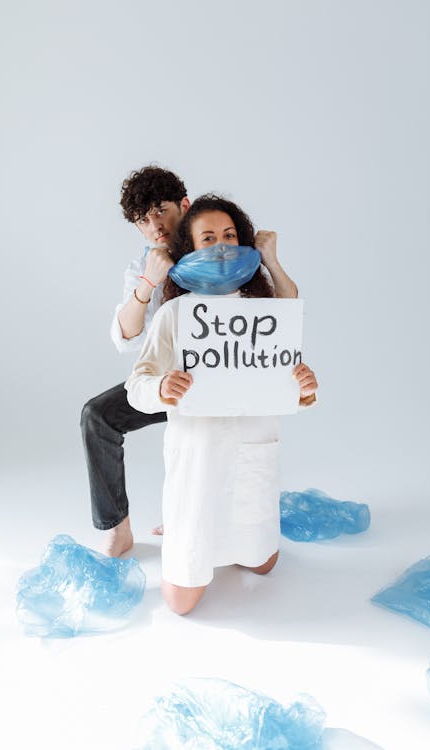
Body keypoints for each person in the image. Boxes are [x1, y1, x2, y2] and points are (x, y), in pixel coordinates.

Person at [81, 167, 299, 557]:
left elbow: (282, 313)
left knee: (217, 442)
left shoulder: (220, 240)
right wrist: (148, 283)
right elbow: (126, 337)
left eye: (160, 211)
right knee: (98, 416)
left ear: (183, 205)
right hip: (173, 382)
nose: (154, 226)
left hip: (230, 378)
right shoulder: (146, 264)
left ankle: (210, 516)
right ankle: (118, 528)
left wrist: (270, 259)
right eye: (142, 221)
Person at [125, 195, 318, 615]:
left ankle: (244, 540)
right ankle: (186, 538)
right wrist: (162, 387)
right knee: (180, 601)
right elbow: (136, 386)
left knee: (262, 562)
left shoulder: (266, 314)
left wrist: (303, 389)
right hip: (198, 457)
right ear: (189, 250)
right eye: (208, 238)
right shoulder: (174, 314)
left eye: (230, 236)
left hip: (254, 451)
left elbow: (284, 382)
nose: (222, 247)